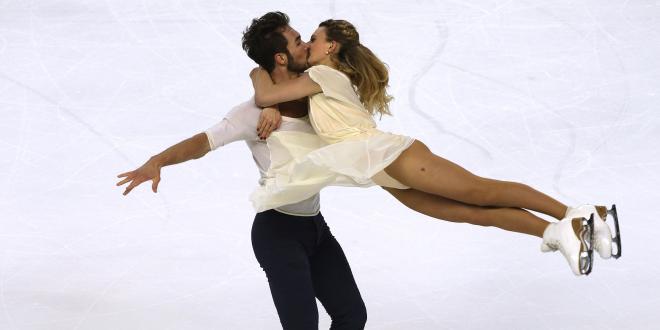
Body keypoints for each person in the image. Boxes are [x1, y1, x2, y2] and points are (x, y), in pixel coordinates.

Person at [246, 19, 621, 276]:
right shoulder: (318, 77)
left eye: (313, 38)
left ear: (331, 46)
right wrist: (276, 104)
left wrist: (256, 69)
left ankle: (578, 213)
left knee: (481, 192)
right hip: (380, 171)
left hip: (391, 157)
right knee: (472, 213)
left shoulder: (322, 73)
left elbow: (266, 93)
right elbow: (277, 100)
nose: (308, 44)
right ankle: (558, 232)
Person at [117, 12, 368, 330]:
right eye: (298, 41)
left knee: (352, 316)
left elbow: (268, 76)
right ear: (280, 57)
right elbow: (204, 141)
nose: (306, 46)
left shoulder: (315, 91)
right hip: (278, 234)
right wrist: (157, 160)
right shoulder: (251, 114)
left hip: (316, 227)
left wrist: (272, 102)